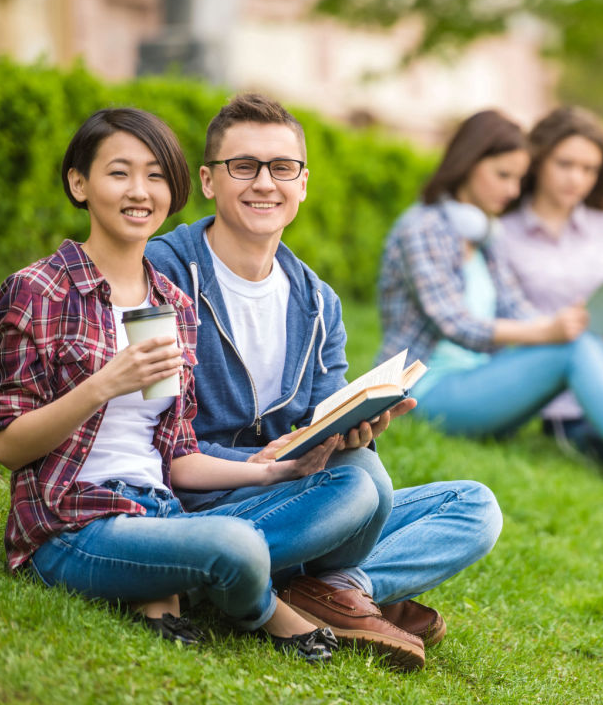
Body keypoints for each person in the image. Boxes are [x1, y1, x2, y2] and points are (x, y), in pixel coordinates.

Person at [0, 106, 393, 663]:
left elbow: (175, 458)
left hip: (162, 512)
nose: (140, 191)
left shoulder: (167, 305)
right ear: (78, 183)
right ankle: (264, 609)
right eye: (119, 173)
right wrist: (102, 385)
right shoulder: (38, 291)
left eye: (154, 176)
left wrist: (275, 469)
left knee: (357, 484)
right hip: (73, 522)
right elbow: (9, 447)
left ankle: (178, 582)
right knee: (236, 543)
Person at [145, 93, 503, 672]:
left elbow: (318, 421)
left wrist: (351, 430)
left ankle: (336, 589)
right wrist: (268, 467)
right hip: (199, 499)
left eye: (282, 167)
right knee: (360, 487)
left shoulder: (317, 301)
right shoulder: (164, 271)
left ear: (303, 183)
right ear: (209, 181)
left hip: (290, 493)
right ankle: (305, 586)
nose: (265, 182)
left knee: (473, 506)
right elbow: (156, 439)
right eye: (245, 166)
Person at [377, 109, 603, 498]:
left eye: (518, 178)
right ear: (468, 164)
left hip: (481, 382)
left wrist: (570, 324)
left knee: (578, 340)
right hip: (422, 391)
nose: (514, 190)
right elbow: (457, 325)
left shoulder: (485, 233)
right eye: (503, 175)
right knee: (572, 344)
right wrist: (550, 331)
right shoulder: (422, 227)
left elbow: (517, 310)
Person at [499, 106, 603, 465]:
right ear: (539, 160)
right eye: (565, 164)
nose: (576, 178)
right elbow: (500, 325)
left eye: (589, 169)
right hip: (567, 396)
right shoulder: (503, 234)